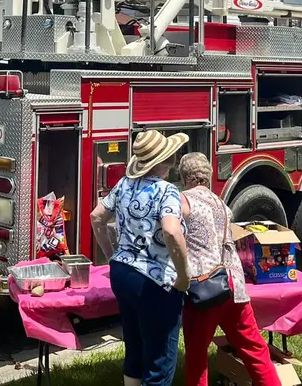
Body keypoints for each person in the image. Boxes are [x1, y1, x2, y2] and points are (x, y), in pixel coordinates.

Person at [90, 129, 190, 386]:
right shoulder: (167, 191)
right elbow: (170, 230)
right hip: (154, 283)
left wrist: (112, 254)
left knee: (134, 346)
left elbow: (96, 217)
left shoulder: (124, 183)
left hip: (122, 274)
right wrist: (183, 276)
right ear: (165, 162)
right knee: (159, 360)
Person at [177, 152, 281, 386]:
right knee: (254, 347)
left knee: (197, 352)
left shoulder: (183, 201)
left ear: (185, 177)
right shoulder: (221, 204)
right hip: (233, 282)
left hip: (206, 286)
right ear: (209, 175)